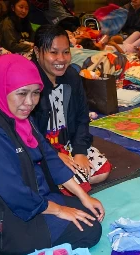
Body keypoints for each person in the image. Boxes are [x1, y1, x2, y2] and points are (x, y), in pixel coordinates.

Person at [0, 54, 104, 255]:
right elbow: (12, 192)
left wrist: (83, 196)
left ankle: (5, 252)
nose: (29, 103)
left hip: (32, 200)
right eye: (21, 93)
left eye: (35, 93)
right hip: (6, 218)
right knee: (89, 231)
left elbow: (48, 155)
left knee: (88, 213)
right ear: (2, 87)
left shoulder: (14, 114)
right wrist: (57, 209)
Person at [32, 25, 112, 192]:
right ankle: (45, 178)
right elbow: (26, 132)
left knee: (102, 172)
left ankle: (61, 181)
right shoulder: (30, 84)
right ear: (37, 51)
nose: (61, 59)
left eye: (66, 52)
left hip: (66, 144)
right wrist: (53, 155)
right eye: (53, 52)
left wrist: (80, 151)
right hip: (41, 150)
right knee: (80, 185)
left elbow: (82, 116)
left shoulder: (71, 77)